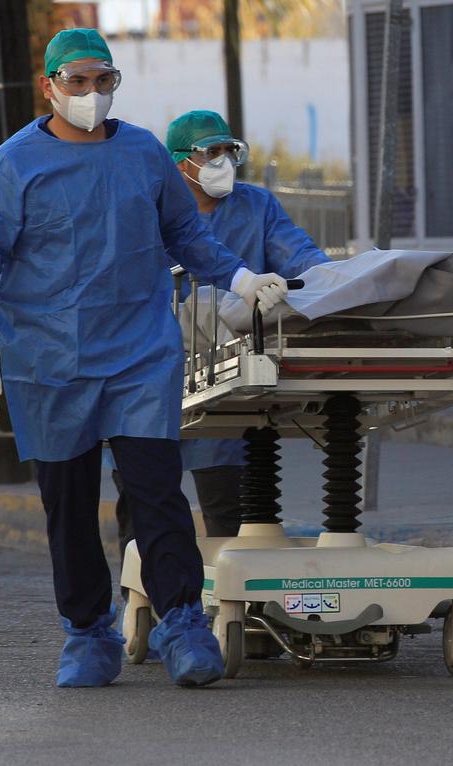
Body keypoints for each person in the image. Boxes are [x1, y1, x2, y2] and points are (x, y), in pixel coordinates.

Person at [0, 29, 292, 689]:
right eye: (76, 81)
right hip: (49, 360)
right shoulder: (14, 164)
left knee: (156, 492)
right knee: (69, 503)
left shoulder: (142, 153)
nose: (91, 93)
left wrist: (241, 278)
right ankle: (88, 633)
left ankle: (183, 625)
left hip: (139, 351)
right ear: (49, 86)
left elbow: (186, 234)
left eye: (102, 80)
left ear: (115, 82)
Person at [109, 110, 330, 553]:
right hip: (150, 371)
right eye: (211, 152)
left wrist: (335, 281)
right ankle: (143, 590)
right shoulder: (146, 211)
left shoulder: (256, 207)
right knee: (143, 509)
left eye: (230, 151)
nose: (223, 161)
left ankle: (234, 591)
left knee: (231, 510)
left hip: (228, 372)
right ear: (178, 162)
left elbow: (301, 257)